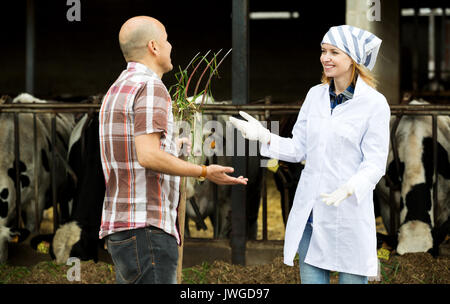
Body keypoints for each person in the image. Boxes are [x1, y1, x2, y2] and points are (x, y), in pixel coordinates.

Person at [230, 25, 390, 284]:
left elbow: (375, 162)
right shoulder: (314, 95)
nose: (325, 57)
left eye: (334, 52)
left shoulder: (374, 104)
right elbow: (298, 148)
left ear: (352, 59)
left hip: (348, 213)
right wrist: (265, 136)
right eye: (323, 51)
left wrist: (351, 187)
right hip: (311, 213)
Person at [98, 16, 248, 284]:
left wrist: (170, 145)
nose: (171, 46)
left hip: (120, 228)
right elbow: (147, 156)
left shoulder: (116, 88)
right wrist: (203, 170)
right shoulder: (151, 86)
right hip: (147, 230)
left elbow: (134, 149)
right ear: (154, 47)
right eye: (166, 40)